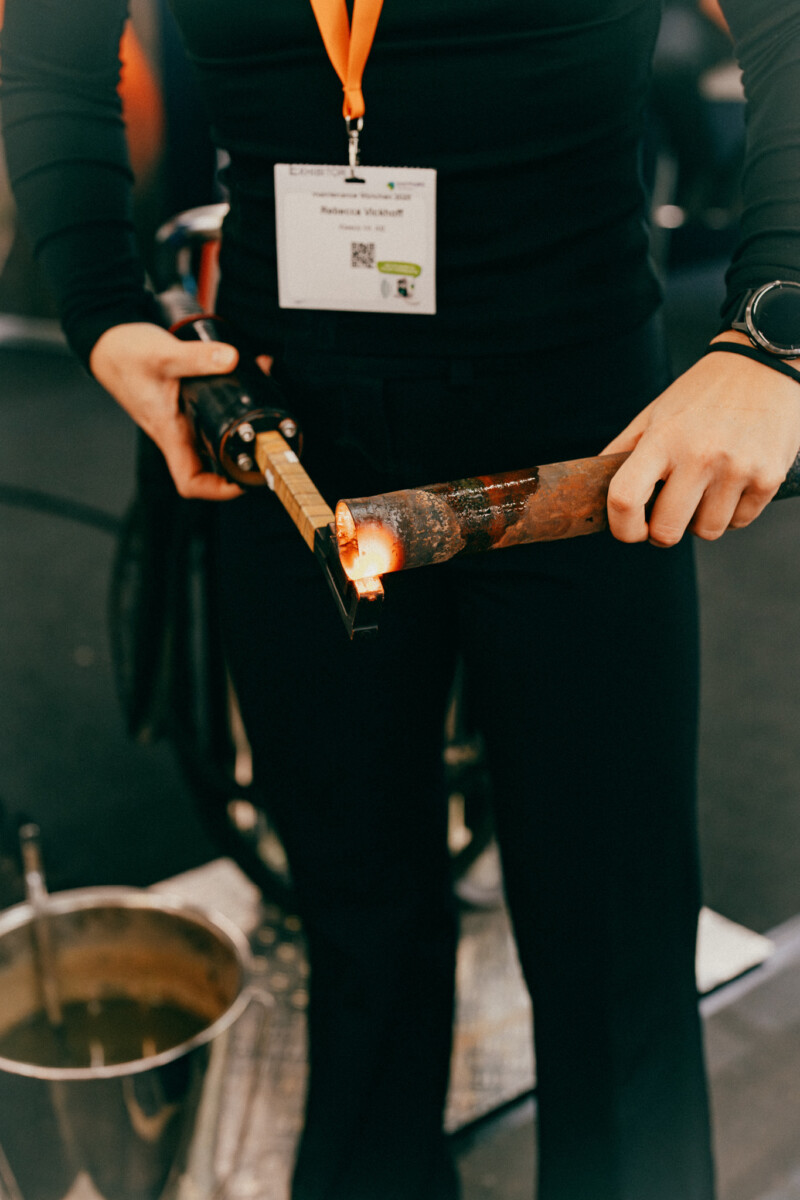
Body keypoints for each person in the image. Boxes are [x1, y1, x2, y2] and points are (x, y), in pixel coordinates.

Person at [2, 2, 800, 1197]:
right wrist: (103, 312)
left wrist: (773, 330)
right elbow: (49, 48)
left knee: (613, 941)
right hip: (287, 431)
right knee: (354, 921)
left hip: (582, 438)